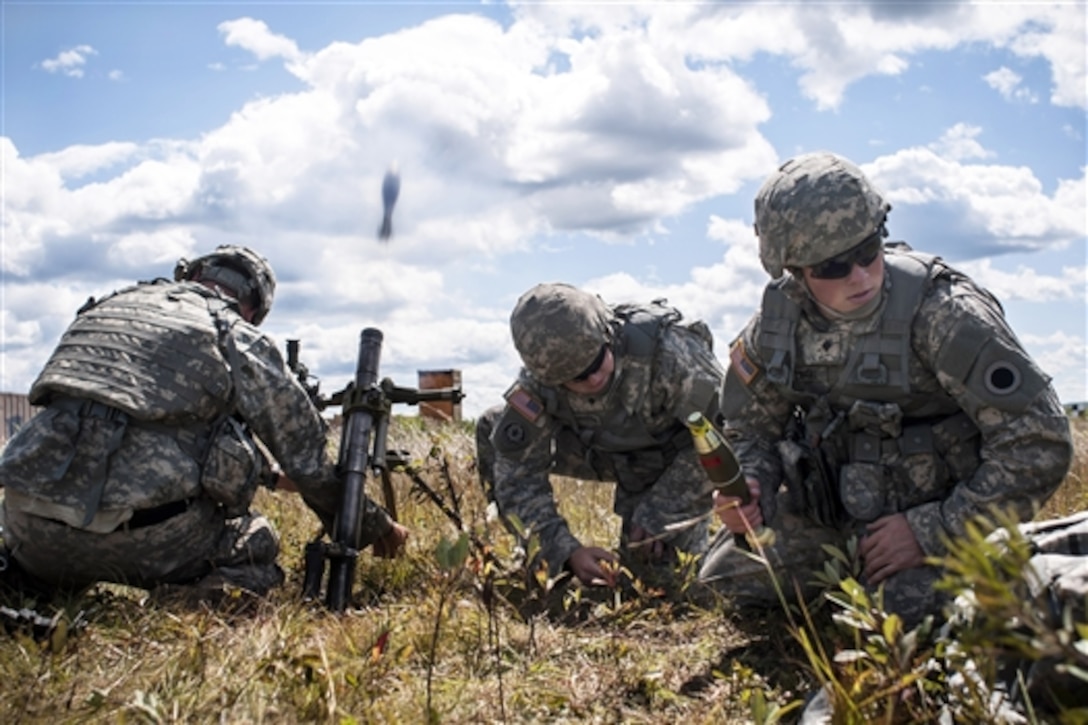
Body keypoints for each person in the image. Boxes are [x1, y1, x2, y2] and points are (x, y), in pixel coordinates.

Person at [698, 151, 1074, 626]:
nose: (859, 276)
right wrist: (752, 486)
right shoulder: (776, 325)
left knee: (902, 618)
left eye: (868, 250)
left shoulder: (944, 314)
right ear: (793, 269)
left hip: (938, 515)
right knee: (723, 582)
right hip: (833, 513)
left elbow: (1038, 442)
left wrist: (933, 529)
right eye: (832, 267)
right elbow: (752, 430)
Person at [0, 245, 408, 603]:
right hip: (149, 545)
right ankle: (183, 602)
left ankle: (36, 587)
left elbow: (121, 429)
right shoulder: (233, 333)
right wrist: (376, 527)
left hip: (28, 529)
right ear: (254, 307)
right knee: (256, 545)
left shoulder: (103, 309)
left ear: (192, 274)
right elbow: (309, 464)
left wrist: (265, 473)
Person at [476, 282, 725, 587]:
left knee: (655, 579)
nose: (593, 378)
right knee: (494, 427)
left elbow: (722, 437)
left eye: (597, 361)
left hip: (669, 463)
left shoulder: (673, 354)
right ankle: (535, 557)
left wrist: (662, 509)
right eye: (577, 377)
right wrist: (564, 550)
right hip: (597, 451)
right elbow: (519, 479)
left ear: (607, 335)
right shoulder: (539, 382)